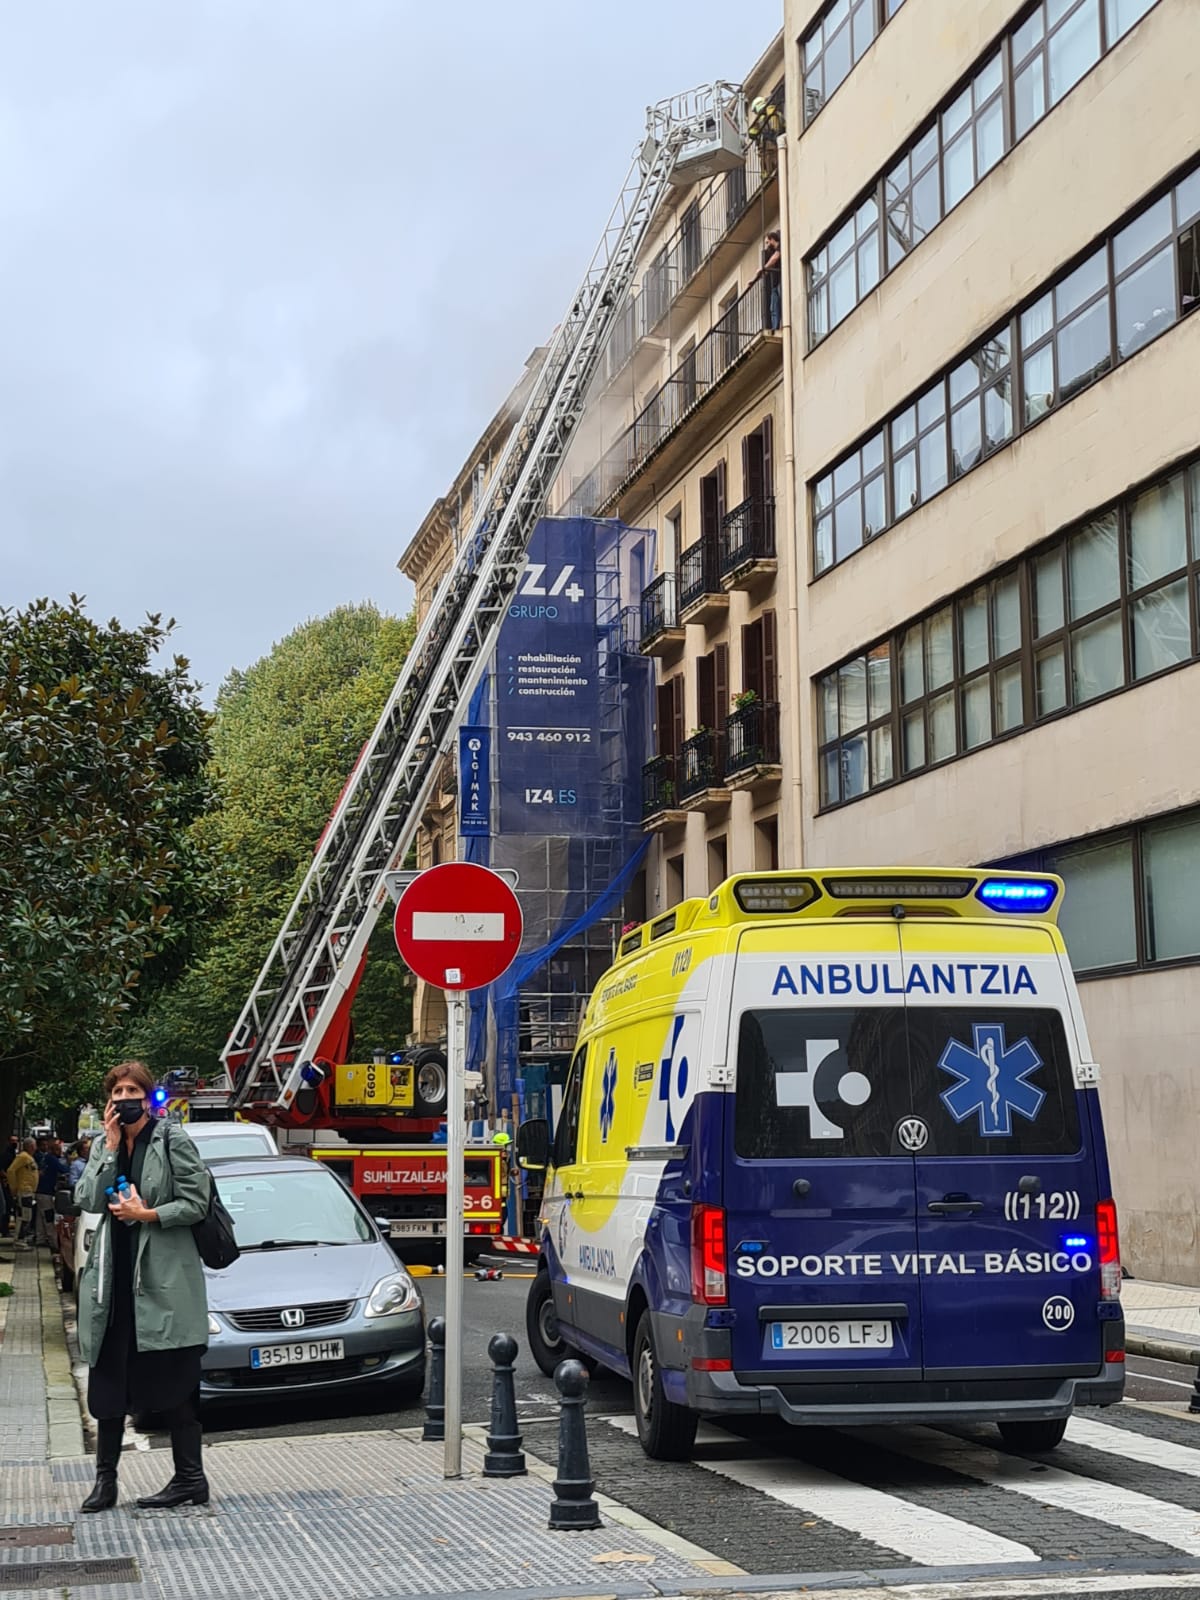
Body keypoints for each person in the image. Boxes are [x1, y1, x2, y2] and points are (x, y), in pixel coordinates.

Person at [74, 1061, 212, 1514]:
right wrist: (111, 1148)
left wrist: (147, 1215)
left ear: (147, 1096)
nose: (123, 1098)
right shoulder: (104, 1144)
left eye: (132, 1090)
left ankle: (190, 1479)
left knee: (173, 1380)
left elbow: (197, 1202)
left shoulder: (171, 1139)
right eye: (116, 1092)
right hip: (113, 1283)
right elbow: (89, 1200)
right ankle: (104, 1482)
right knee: (109, 1383)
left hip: (162, 1280)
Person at [35, 1138, 69, 1252]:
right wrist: (70, 1164)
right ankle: (53, 1242)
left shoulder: (46, 1158)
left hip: (40, 1190)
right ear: (55, 1150)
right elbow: (63, 1169)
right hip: (46, 1191)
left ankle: (40, 1238)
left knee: (40, 1216)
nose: (61, 1152)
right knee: (48, 1216)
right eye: (59, 1150)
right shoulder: (52, 1159)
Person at [5, 1139, 39, 1246]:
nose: (35, 1148)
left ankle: (21, 1237)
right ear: (29, 1146)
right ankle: (19, 1239)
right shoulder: (23, 1157)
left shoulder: (27, 1158)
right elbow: (11, 1170)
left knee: (26, 1215)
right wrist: (13, 1187)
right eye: (33, 1146)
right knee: (24, 1216)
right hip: (24, 1190)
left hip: (28, 1191)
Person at [759, 231, 782, 332]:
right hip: (775, 284)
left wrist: (764, 268)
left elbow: (775, 259)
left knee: (778, 305)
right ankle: (775, 326)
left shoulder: (781, 246)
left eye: (767, 242)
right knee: (773, 307)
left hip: (780, 282)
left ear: (772, 239)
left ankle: (777, 326)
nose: (767, 245)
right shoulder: (772, 252)